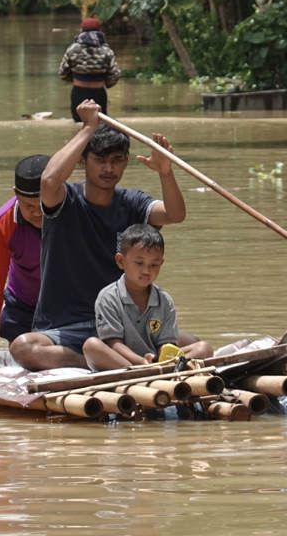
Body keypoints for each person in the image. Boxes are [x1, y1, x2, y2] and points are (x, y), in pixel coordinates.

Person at [9, 98, 186, 370]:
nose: (108, 169)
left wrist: (165, 172)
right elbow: (48, 180)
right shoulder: (64, 200)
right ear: (82, 160)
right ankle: (102, 363)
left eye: (116, 161)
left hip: (122, 326)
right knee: (24, 348)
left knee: (195, 344)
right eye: (100, 160)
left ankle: (124, 361)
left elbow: (175, 214)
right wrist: (88, 128)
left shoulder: (133, 202)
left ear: (126, 162)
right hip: (67, 326)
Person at [83, 223, 212, 370]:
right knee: (91, 346)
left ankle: (161, 370)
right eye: (139, 263)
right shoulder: (108, 297)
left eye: (154, 265)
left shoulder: (165, 300)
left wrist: (162, 358)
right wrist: (141, 362)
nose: (146, 271)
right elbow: (113, 343)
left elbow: (165, 344)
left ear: (161, 263)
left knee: (204, 348)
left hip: (155, 362)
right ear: (121, 261)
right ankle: (144, 372)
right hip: (123, 362)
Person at [0, 155, 48, 350]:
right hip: (23, 308)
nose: (37, 213)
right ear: (16, 194)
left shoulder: (77, 211)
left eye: (42, 204)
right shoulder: (2, 223)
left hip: (71, 308)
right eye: (29, 206)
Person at [58, 16, 120, 121]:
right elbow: (115, 73)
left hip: (78, 92)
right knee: (100, 125)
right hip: (99, 92)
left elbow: (62, 72)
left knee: (78, 124)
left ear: (81, 31)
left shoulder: (73, 49)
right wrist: (106, 84)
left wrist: (74, 79)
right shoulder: (106, 50)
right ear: (99, 31)